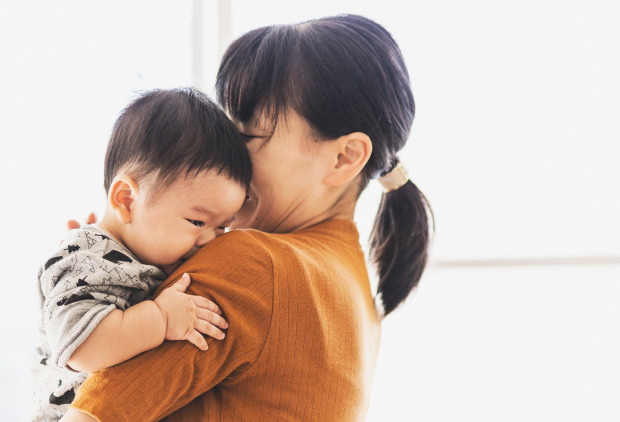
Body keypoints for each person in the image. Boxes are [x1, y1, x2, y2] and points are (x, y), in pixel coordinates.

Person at [60, 15, 431, 421]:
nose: (224, 163)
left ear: (344, 158)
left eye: (247, 137)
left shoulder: (255, 265)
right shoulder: (357, 290)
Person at [31, 88, 251, 422]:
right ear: (126, 200)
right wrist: (161, 319)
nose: (211, 240)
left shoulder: (147, 257)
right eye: (198, 221)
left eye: (222, 228)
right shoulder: (85, 258)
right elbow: (83, 349)